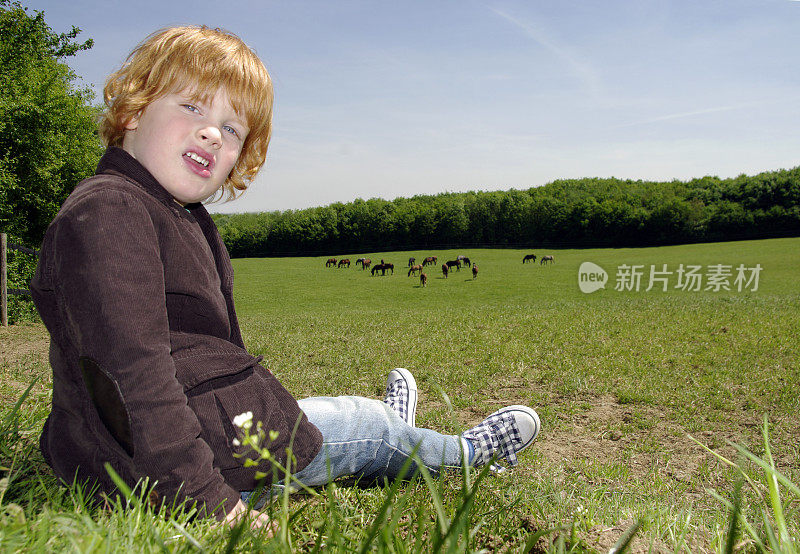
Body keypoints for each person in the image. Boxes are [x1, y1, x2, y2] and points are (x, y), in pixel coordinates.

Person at [30, 25, 541, 532]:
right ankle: (464, 452)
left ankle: (387, 419)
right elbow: (130, 379)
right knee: (366, 431)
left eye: (233, 129)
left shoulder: (163, 211)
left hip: (192, 433)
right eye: (193, 107)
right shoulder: (111, 211)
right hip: (179, 467)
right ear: (135, 109)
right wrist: (211, 503)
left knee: (324, 413)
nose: (213, 132)